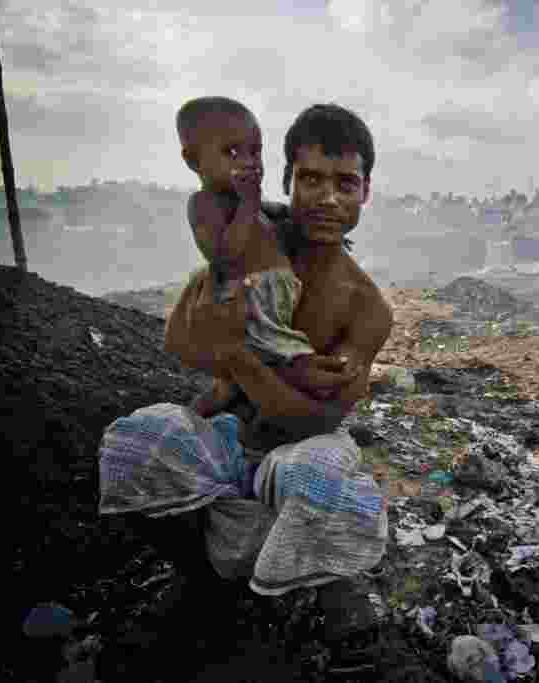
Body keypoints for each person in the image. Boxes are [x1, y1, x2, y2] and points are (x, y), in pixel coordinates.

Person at [98, 104, 394, 650]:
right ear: (287, 181)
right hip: (231, 444)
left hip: (289, 456)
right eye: (311, 179)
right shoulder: (251, 242)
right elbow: (181, 342)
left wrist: (239, 359)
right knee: (137, 446)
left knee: (318, 471)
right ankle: (204, 581)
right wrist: (266, 366)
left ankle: (341, 606)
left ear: (365, 192)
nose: (328, 198)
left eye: (345, 183)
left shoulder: (367, 306)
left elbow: (315, 418)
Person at [171, 96, 351, 419]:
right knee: (288, 361)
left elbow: (288, 219)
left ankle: (210, 413)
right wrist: (249, 206)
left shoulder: (250, 204)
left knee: (243, 378)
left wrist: (331, 233)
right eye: (231, 152)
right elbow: (223, 256)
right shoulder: (206, 204)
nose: (249, 161)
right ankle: (195, 421)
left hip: (274, 298)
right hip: (250, 298)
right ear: (193, 160)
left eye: (255, 150)